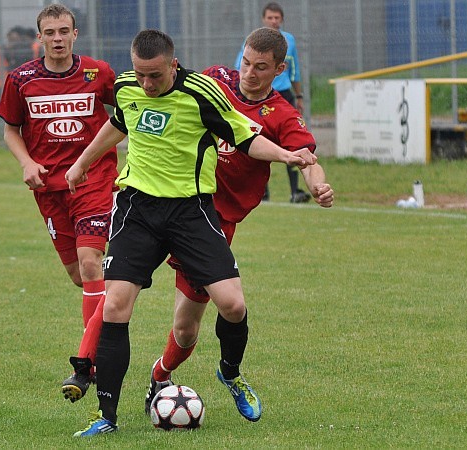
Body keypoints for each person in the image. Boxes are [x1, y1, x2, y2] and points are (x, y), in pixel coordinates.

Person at [64, 29, 316, 437]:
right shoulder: (128, 86)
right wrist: (82, 163)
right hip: (138, 209)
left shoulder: (202, 92)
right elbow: (118, 123)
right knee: (115, 307)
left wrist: (287, 155)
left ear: (173, 64)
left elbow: (246, 137)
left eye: (155, 76)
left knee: (232, 305)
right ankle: (106, 417)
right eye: (140, 75)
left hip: (192, 211)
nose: (146, 84)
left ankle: (230, 372)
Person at [145, 26, 334, 415]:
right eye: (246, 62)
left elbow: (306, 158)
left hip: (215, 223)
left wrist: (319, 186)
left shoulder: (280, 114)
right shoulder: (216, 81)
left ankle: (209, 374)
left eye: (261, 67)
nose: (249, 72)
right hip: (175, 202)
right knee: (112, 280)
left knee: (189, 326)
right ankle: (91, 367)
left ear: (280, 69)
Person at [0, 3, 117, 375]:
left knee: (89, 262)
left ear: (75, 33)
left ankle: (91, 361)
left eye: (64, 31)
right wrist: (27, 163)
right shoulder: (21, 80)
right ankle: (121, 283)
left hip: (93, 180)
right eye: (50, 33)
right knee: (79, 275)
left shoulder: (99, 73)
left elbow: (128, 111)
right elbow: (11, 130)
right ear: (40, 37)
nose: (57, 38)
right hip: (49, 189)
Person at [235, 2, 309, 203]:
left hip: (282, 93)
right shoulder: (252, 42)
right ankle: (263, 192)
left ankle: (295, 190)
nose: (274, 21)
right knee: (255, 138)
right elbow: (238, 69)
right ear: (263, 19)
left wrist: (299, 95)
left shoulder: (289, 41)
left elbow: (295, 70)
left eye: (277, 18)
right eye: (270, 17)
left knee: (291, 144)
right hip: (257, 95)